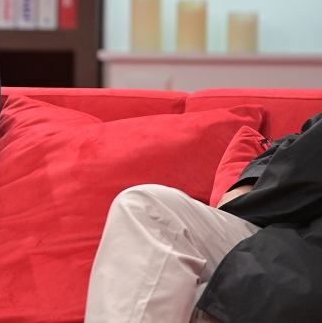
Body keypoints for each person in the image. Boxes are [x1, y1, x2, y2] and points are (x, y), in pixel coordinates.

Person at [84, 112, 322, 322]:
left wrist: (253, 194)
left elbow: (295, 180)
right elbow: (294, 153)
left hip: (304, 256)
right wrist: (250, 184)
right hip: (280, 235)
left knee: (193, 297)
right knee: (145, 206)